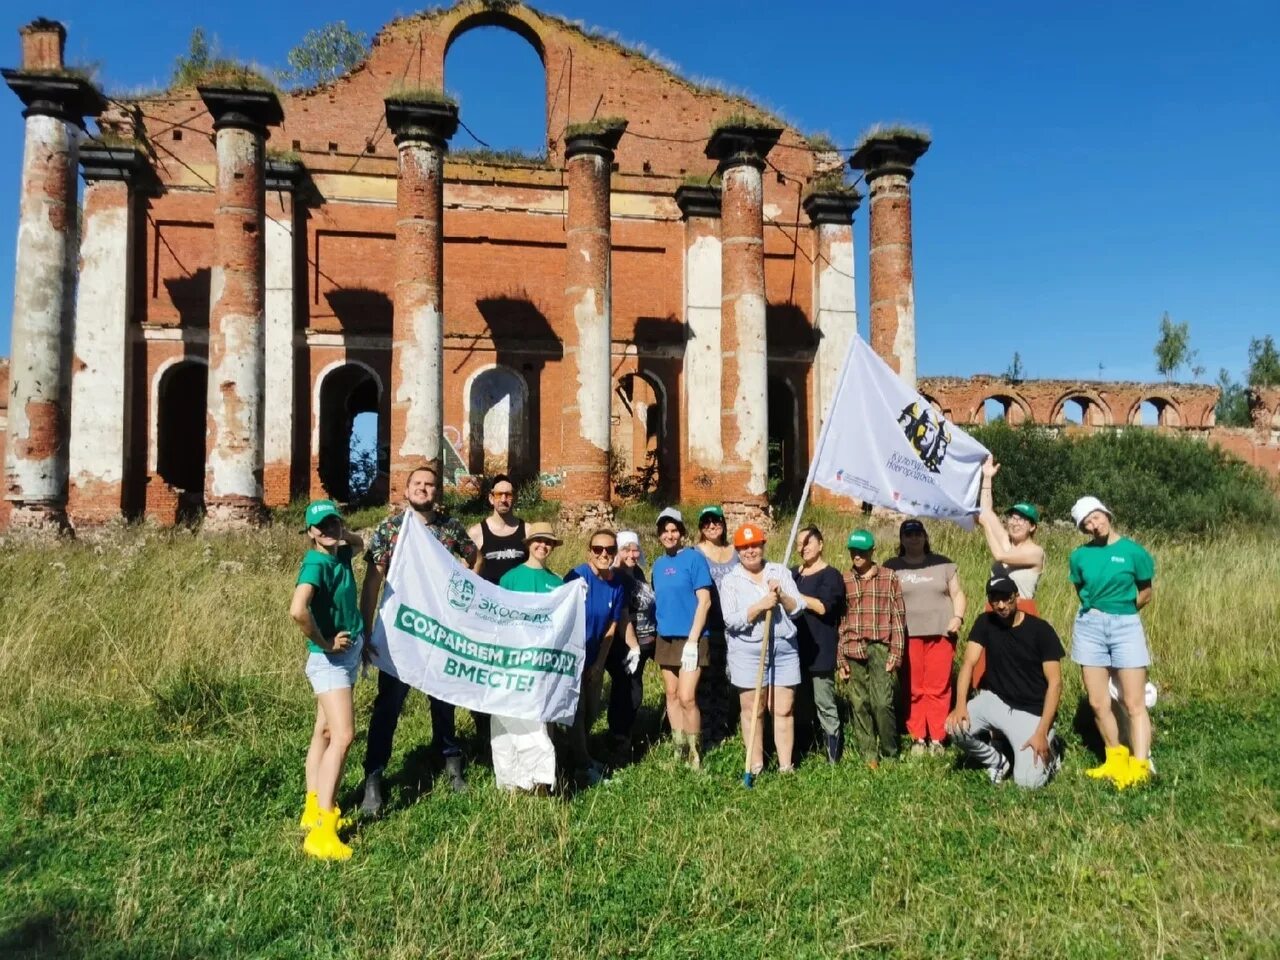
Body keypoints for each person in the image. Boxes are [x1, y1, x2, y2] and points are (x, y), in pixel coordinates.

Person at [359, 465, 479, 816]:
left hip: (439, 632)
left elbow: (475, 557)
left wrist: (463, 598)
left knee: (444, 699)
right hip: (401, 633)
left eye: (430, 485)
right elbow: (371, 584)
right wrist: (366, 633)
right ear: (406, 489)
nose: (424, 489)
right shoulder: (391, 530)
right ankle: (374, 778)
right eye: (418, 484)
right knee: (388, 707)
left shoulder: (448, 527)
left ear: (436, 492)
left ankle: (451, 762)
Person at [290, 499, 365, 861]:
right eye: (322, 527)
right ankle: (324, 829)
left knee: (322, 732)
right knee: (343, 736)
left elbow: (360, 543)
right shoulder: (316, 563)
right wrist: (323, 641)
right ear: (310, 533)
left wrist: (340, 534)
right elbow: (297, 609)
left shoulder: (340, 552)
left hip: (346, 655)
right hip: (330, 661)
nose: (331, 530)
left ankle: (311, 805)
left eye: (334, 523)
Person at [1069, 496, 1156, 789]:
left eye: (1095, 517)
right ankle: (1114, 759)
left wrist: (1122, 610)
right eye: (1086, 523)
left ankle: (1140, 765)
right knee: (1097, 701)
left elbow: (1145, 592)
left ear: (1106, 512)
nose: (1094, 525)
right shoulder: (1079, 556)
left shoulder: (1133, 551)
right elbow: (1081, 589)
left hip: (1125, 624)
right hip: (1089, 626)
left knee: (1133, 701)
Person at [945, 574, 1064, 789]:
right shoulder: (985, 621)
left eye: (1006, 598)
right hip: (996, 702)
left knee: (1028, 783)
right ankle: (996, 760)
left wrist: (1041, 732)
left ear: (1016, 596)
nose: (1000, 605)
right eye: (994, 600)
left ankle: (1051, 752)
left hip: (1032, 712)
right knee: (955, 728)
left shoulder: (1041, 630)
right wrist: (960, 705)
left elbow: (1055, 683)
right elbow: (969, 664)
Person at [720, 523, 805, 775]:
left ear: (763, 545)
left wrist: (781, 596)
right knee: (753, 710)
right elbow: (731, 619)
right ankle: (755, 765)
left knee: (783, 708)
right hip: (748, 651)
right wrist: (760, 605)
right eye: (744, 547)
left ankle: (785, 766)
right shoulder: (730, 580)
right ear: (737, 550)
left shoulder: (779, 571)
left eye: (755, 545)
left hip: (783, 648)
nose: (750, 551)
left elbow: (798, 608)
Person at [884, 519, 967, 755]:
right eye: (908, 534)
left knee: (939, 686)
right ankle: (918, 736)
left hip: (942, 631)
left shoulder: (943, 564)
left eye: (918, 533)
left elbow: (958, 593)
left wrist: (958, 617)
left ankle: (938, 737)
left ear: (925, 536)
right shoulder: (891, 566)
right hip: (907, 635)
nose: (914, 538)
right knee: (913, 687)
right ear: (901, 539)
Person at [495, 521, 564, 793]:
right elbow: (499, 619)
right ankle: (513, 779)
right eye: (538, 541)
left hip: (542, 664)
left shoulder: (557, 583)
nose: (543, 546)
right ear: (528, 544)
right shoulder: (510, 578)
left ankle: (541, 779)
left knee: (540, 722)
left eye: (548, 542)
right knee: (511, 720)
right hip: (514, 661)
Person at [562, 529, 627, 786]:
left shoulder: (617, 584)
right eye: (598, 549)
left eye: (609, 550)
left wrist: (600, 662)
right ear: (590, 551)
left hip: (595, 656)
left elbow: (613, 624)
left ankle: (576, 754)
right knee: (577, 713)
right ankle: (583, 765)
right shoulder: (577, 577)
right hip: (572, 656)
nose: (604, 554)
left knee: (591, 711)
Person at [650, 507, 713, 769]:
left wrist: (692, 640)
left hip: (692, 639)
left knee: (687, 697)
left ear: (682, 532)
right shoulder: (658, 564)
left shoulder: (694, 559)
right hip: (666, 638)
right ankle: (679, 747)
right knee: (672, 695)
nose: (670, 534)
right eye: (665, 531)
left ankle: (695, 753)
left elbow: (705, 602)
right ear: (659, 535)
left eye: (674, 529)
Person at [838, 530, 907, 768]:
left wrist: (896, 653)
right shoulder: (844, 579)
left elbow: (898, 617)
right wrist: (841, 658)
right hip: (852, 647)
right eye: (853, 551)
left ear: (872, 551)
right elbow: (840, 621)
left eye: (862, 551)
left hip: (880, 646)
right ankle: (869, 754)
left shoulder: (889, 577)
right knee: (859, 703)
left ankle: (889, 753)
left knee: (882, 702)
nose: (857, 555)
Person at [791, 526, 847, 762]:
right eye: (799, 543)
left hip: (821, 649)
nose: (803, 547)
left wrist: (794, 597)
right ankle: (804, 745)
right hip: (795, 648)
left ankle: (833, 751)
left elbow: (824, 607)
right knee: (801, 701)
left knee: (823, 700)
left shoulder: (830, 575)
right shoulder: (793, 573)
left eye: (808, 542)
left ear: (821, 544)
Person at [606, 531, 653, 761]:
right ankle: (619, 738)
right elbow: (623, 614)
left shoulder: (638, 573)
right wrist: (633, 646)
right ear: (618, 551)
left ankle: (626, 733)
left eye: (635, 549)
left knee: (634, 688)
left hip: (644, 642)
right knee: (626, 690)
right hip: (624, 645)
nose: (632, 554)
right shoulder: (616, 576)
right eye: (626, 549)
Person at [693, 505, 737, 744]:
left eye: (716, 521)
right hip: (708, 627)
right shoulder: (695, 553)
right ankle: (705, 731)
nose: (712, 525)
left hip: (735, 627)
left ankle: (722, 729)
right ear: (701, 527)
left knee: (725, 680)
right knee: (706, 680)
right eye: (706, 522)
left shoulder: (736, 551)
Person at [977, 457, 1044, 612]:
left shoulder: (1035, 552)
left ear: (1032, 527)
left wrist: (986, 526)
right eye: (1012, 518)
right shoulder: (1005, 541)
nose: (1015, 523)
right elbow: (986, 511)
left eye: (1021, 519)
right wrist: (987, 478)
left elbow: (1000, 556)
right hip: (995, 608)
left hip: (1022, 611)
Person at [468, 473, 528, 585]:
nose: (503, 499)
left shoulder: (528, 531)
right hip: (489, 600)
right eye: (499, 494)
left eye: (508, 495)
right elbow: (466, 573)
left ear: (515, 498)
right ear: (491, 498)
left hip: (518, 599)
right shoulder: (476, 533)